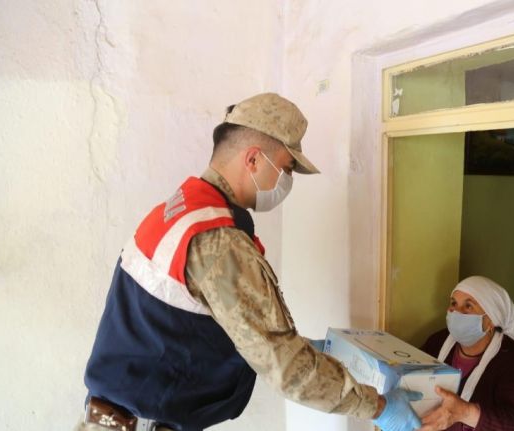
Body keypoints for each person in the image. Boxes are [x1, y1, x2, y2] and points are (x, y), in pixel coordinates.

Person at [79, 93, 422, 431]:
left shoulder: (179, 209)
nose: (286, 182)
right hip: (142, 421)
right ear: (254, 160)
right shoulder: (219, 240)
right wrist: (378, 407)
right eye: (287, 168)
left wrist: (299, 347)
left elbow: (200, 320)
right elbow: (288, 371)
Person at [419, 276, 514, 431]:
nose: (456, 312)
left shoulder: (513, 361)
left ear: (491, 321)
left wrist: (466, 412)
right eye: (454, 303)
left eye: (468, 306)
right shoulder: (437, 342)